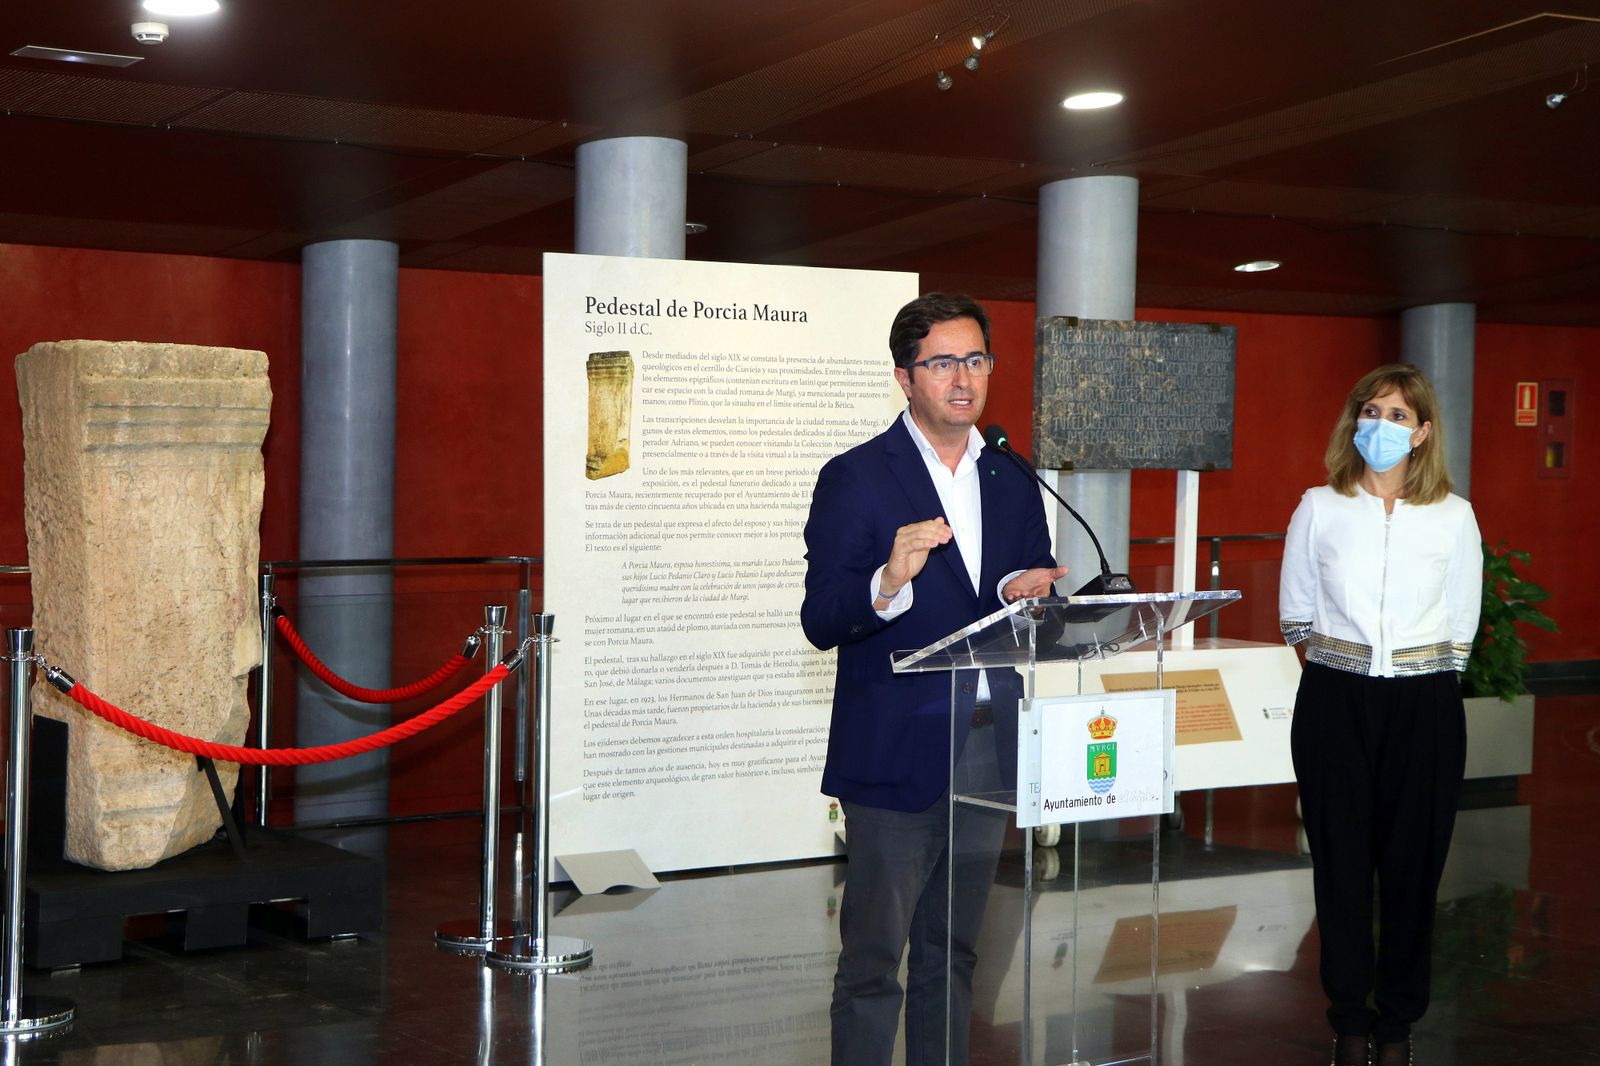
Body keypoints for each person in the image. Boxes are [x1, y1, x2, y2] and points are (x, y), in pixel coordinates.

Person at [801, 293, 1067, 1066]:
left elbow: (1017, 578)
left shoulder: (1013, 476)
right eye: (942, 362)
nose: (963, 378)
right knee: (875, 961)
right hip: (894, 750)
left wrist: (1027, 589)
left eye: (976, 359)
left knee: (953, 954)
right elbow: (823, 619)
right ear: (904, 377)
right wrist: (889, 579)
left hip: (987, 743)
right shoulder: (856, 478)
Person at [1279, 364, 1483, 1066]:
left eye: (1399, 416)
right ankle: (1349, 1019)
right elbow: (1297, 614)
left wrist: (1415, 674)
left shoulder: (1454, 515)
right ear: (1353, 422)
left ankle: (1397, 1024)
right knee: (1338, 863)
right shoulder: (1319, 506)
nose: (1382, 426)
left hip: (1424, 703)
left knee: (1412, 867)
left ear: (1423, 433)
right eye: (1372, 411)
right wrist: (1348, 668)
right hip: (1337, 698)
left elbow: (1462, 623)